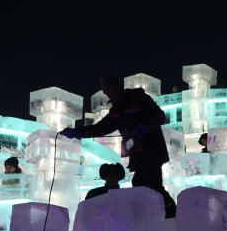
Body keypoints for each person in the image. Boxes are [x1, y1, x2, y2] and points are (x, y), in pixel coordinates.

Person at [60, 73, 176, 218]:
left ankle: (170, 214)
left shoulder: (139, 98)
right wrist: (77, 132)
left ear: (117, 86)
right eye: (105, 89)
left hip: (151, 151)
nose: (106, 92)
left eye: (108, 88)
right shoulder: (116, 111)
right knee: (143, 184)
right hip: (138, 154)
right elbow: (100, 128)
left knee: (150, 184)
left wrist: (142, 127)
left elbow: (159, 116)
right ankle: (161, 215)